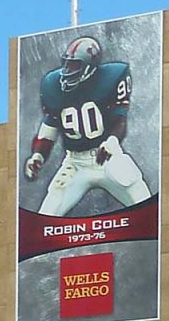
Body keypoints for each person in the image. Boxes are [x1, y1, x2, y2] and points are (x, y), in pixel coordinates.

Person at [24, 34, 153, 215]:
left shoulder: (111, 78)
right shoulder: (53, 85)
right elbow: (49, 125)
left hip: (107, 156)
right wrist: (38, 155)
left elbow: (119, 120)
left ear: (90, 66)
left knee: (146, 206)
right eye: (67, 63)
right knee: (45, 218)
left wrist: (112, 142)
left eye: (75, 65)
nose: (68, 70)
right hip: (75, 162)